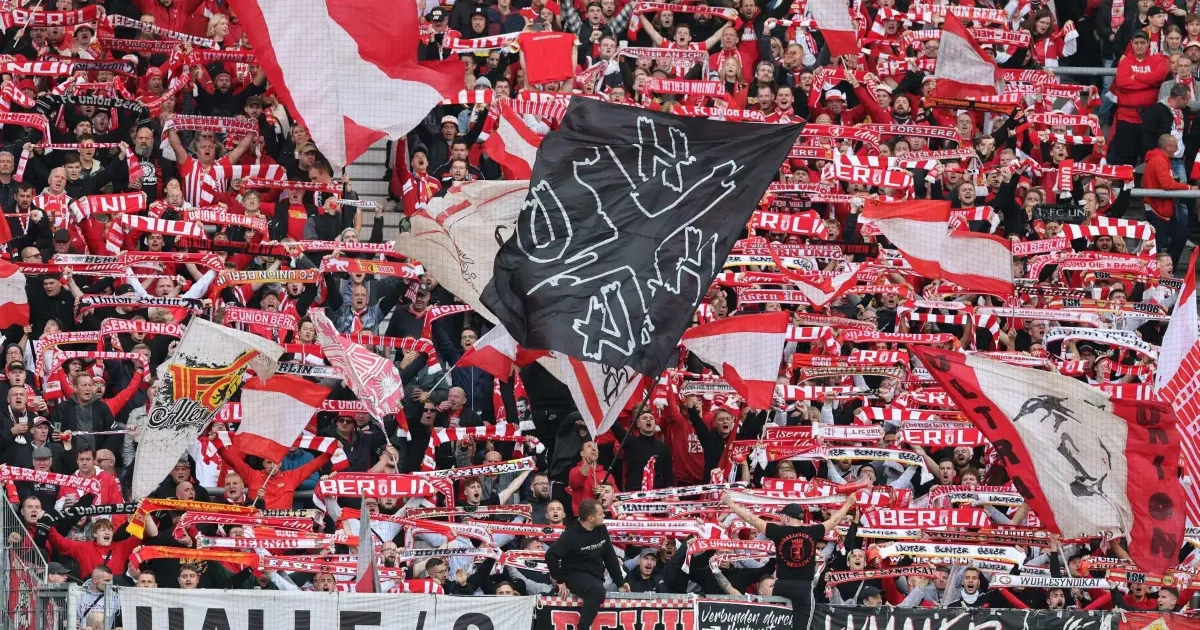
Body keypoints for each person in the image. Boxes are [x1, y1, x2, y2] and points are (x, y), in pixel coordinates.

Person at [724, 494, 856, 629]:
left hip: (781, 585)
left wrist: (731, 504)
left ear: (787, 517)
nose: (780, 520)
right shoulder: (813, 531)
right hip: (803, 588)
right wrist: (848, 504)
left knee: (775, 626)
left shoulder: (778, 531)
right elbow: (834, 520)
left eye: (781, 517)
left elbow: (751, 519)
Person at [545, 499, 629, 630]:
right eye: (600, 513)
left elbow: (610, 557)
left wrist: (620, 582)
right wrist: (560, 580)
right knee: (597, 591)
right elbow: (551, 555)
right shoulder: (571, 534)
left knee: (597, 589)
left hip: (596, 575)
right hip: (574, 574)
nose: (604, 515)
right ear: (591, 518)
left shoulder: (601, 529)